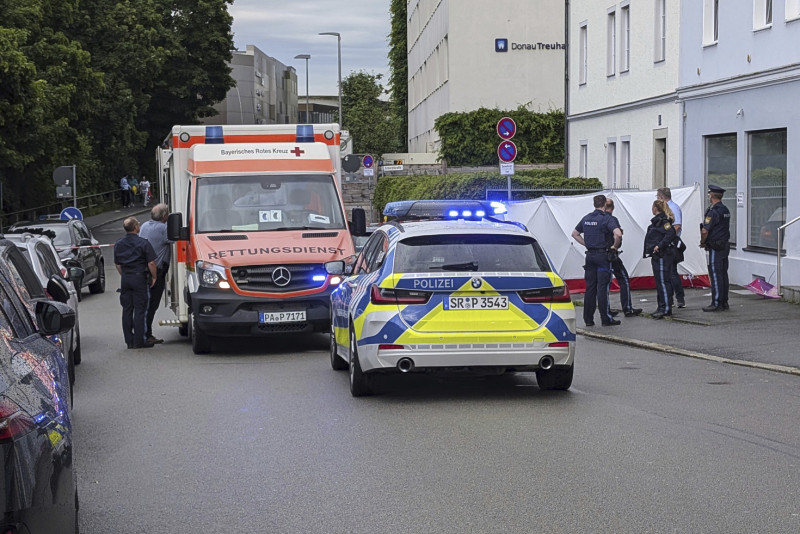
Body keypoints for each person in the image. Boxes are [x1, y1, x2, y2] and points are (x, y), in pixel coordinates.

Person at [571, 194, 622, 327]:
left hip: (590, 256)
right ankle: (606, 318)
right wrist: (614, 246)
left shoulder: (586, 218)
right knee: (602, 288)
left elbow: (574, 234)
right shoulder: (606, 219)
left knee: (590, 288)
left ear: (594, 204)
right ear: (605, 204)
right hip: (603, 256)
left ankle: (588, 319)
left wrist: (587, 244)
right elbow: (618, 234)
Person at [114, 217, 157, 349]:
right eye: (138, 224)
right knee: (140, 309)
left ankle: (129, 341)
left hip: (126, 278)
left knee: (127, 309)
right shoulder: (143, 243)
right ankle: (140, 340)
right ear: (135, 228)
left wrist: (124, 275)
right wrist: (154, 277)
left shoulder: (119, 244)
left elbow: (117, 264)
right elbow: (151, 262)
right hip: (139, 278)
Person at [138, 204, 171, 345]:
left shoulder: (144, 226)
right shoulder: (163, 228)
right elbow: (175, 239)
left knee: (145, 303)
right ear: (164, 216)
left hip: (144, 269)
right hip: (156, 271)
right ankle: (147, 334)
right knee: (152, 304)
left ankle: (142, 332)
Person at [603, 199, 642, 317]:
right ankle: (627, 308)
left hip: (599, 254)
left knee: (604, 283)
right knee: (623, 279)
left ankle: (606, 310)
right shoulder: (612, 220)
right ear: (613, 207)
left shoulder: (597, 218)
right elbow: (618, 235)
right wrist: (615, 246)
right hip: (611, 254)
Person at [700, 184, 731, 312]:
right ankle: (724, 302)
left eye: (709, 194)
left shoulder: (713, 211)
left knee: (716, 274)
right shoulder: (725, 210)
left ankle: (716, 302)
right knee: (723, 274)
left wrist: (702, 242)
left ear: (712, 195)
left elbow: (705, 230)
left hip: (716, 246)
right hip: (724, 245)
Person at [644, 200, 677, 319]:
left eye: (652, 207)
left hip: (663, 255)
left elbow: (671, 233)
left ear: (655, 208)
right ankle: (661, 306)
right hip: (657, 255)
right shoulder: (657, 221)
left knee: (663, 281)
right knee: (659, 282)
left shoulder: (663, 221)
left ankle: (666, 308)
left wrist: (660, 245)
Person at [657, 187, 685, 308]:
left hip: (672, 243)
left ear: (661, 197)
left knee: (672, 272)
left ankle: (680, 298)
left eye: (658, 197)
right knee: (668, 272)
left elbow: (677, 226)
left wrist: (667, 238)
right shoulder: (666, 208)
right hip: (666, 243)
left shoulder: (673, 208)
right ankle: (670, 298)